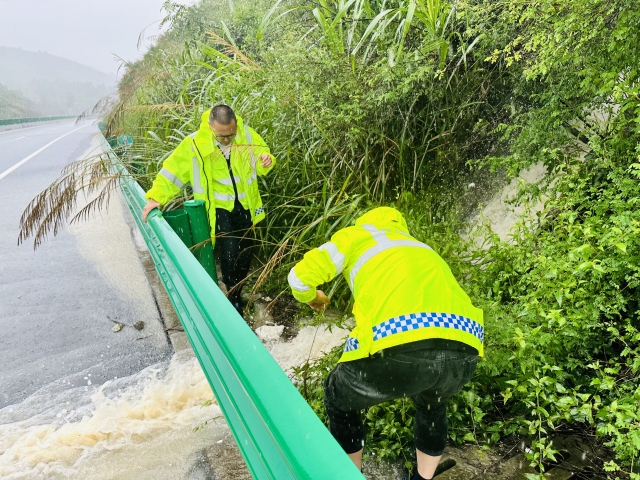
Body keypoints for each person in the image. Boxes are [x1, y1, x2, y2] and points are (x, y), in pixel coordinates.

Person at [287, 207, 483, 480]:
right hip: (464, 350)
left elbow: (298, 278)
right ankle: (422, 479)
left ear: (365, 222)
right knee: (432, 404)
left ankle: (350, 475)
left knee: (339, 396)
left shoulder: (355, 236)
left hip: (399, 345)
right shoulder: (419, 246)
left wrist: (313, 297)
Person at [142, 105, 276, 314]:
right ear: (210, 126)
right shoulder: (195, 144)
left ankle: (238, 288)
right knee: (230, 252)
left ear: (236, 125)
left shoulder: (246, 134)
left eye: (230, 135)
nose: (226, 140)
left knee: (247, 251)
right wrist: (155, 198)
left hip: (246, 206)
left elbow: (263, 157)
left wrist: (266, 160)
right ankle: (233, 296)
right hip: (219, 209)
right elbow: (172, 172)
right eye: (221, 136)